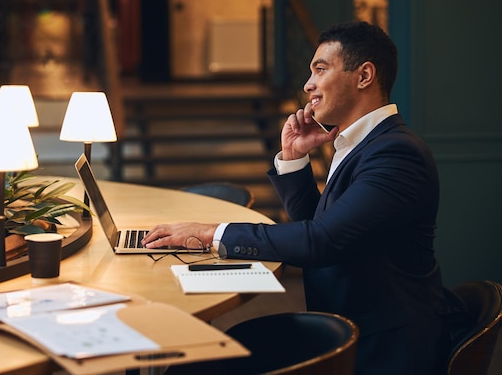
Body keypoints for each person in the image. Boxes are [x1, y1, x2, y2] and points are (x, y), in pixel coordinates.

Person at [142, 21, 467, 375]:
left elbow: (322, 241)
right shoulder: (359, 143)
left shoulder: (396, 153)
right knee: (198, 357)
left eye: (320, 69)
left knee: (191, 367)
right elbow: (319, 227)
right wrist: (294, 157)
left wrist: (210, 233)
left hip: (383, 346)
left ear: (364, 76)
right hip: (346, 323)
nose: (307, 85)